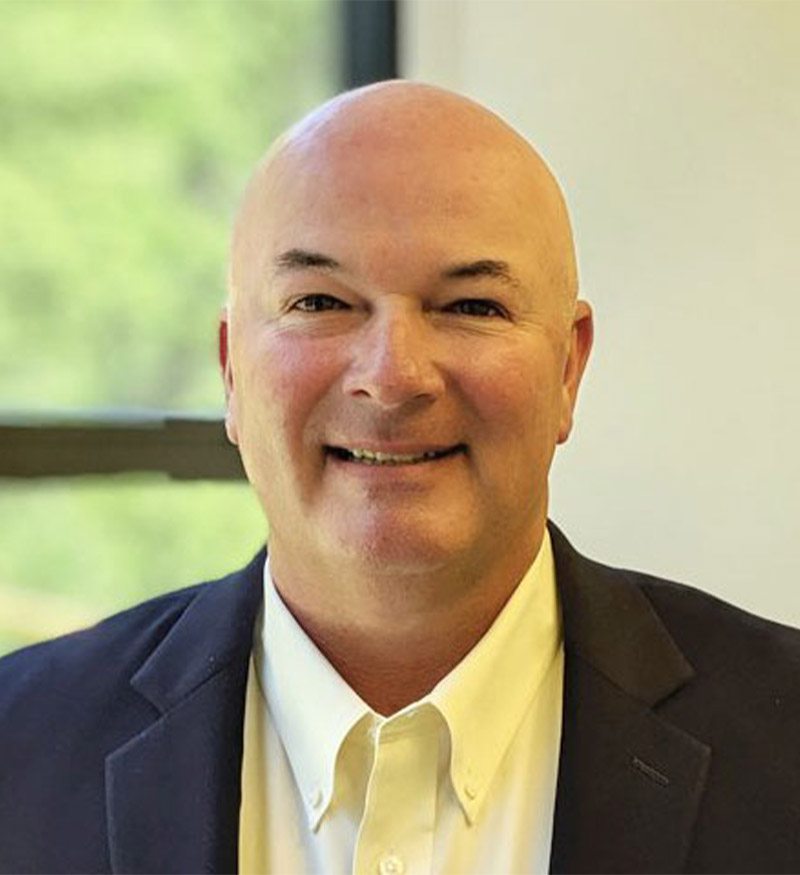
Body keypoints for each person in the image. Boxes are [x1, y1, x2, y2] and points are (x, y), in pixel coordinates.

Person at [0, 81, 798, 875]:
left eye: (472, 306)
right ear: (231, 369)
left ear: (567, 368)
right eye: (319, 301)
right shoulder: (20, 748)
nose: (393, 376)